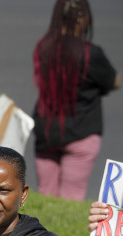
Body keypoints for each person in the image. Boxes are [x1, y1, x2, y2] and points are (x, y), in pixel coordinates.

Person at [33, 0, 120, 201]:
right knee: (72, 199)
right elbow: (113, 81)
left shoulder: (43, 48)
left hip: (47, 132)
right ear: (82, 17)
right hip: (82, 132)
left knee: (45, 199)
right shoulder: (91, 53)